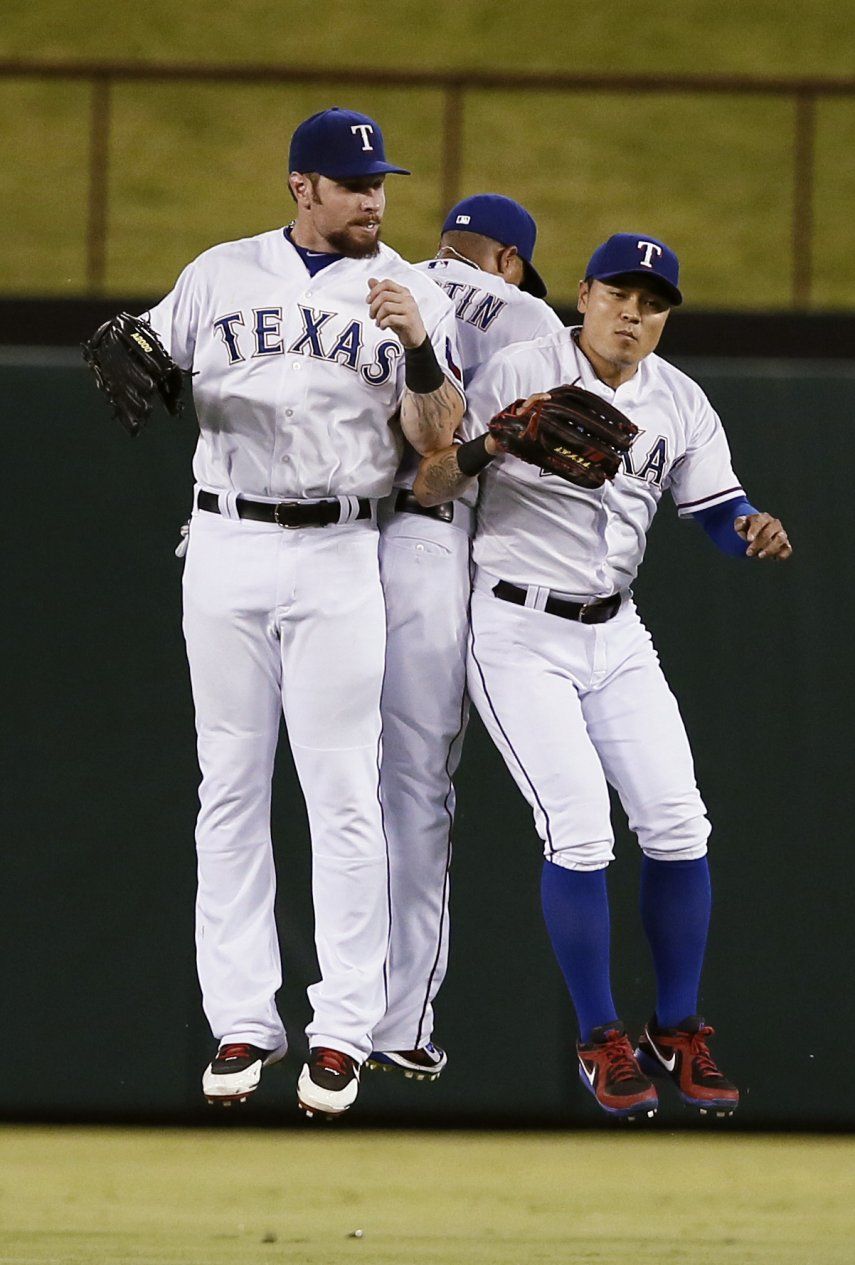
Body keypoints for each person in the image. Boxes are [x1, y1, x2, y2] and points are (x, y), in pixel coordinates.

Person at [89, 107, 465, 1119]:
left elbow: (438, 442)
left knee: (343, 791)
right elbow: (143, 355)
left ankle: (342, 1028)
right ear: (303, 186)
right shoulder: (220, 272)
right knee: (230, 785)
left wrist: (421, 346)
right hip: (225, 544)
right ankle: (244, 1018)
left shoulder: (409, 289)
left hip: (344, 547)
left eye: (381, 183)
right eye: (354, 184)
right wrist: (128, 347)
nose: (374, 200)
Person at [413, 232, 792, 1119]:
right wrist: (490, 445)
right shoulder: (516, 369)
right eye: (619, 293)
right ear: (582, 294)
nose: (633, 312)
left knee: (677, 821)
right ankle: (599, 1040)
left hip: (615, 630)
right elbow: (429, 481)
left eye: (652, 302)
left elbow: (714, 505)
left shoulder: (679, 401)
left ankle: (678, 1028)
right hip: (513, 627)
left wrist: (746, 527)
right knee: (580, 831)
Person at [367, 196, 563, 1082]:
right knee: (413, 787)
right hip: (427, 544)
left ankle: (299, 1011)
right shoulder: (527, 316)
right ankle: (398, 1019)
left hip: (326, 536)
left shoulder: (383, 284)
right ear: (509, 260)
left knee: (306, 787)